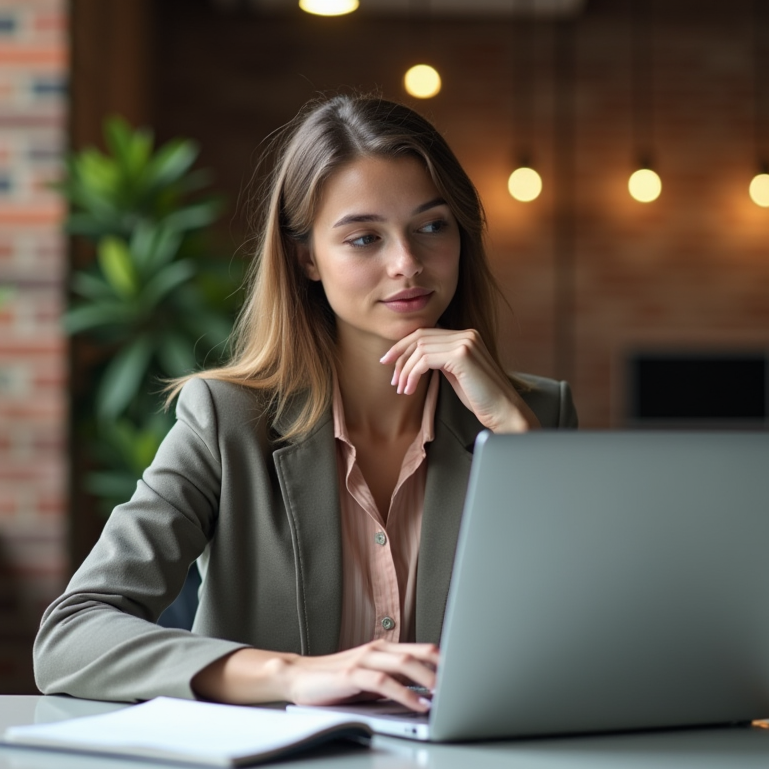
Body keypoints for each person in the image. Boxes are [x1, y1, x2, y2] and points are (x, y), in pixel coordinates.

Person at [34, 95, 578, 712]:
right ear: (307, 258)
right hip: (278, 761)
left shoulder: (536, 418)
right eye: (364, 238)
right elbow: (70, 635)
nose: (407, 263)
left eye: (432, 226)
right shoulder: (226, 420)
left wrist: (517, 441)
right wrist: (290, 675)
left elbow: (593, 633)